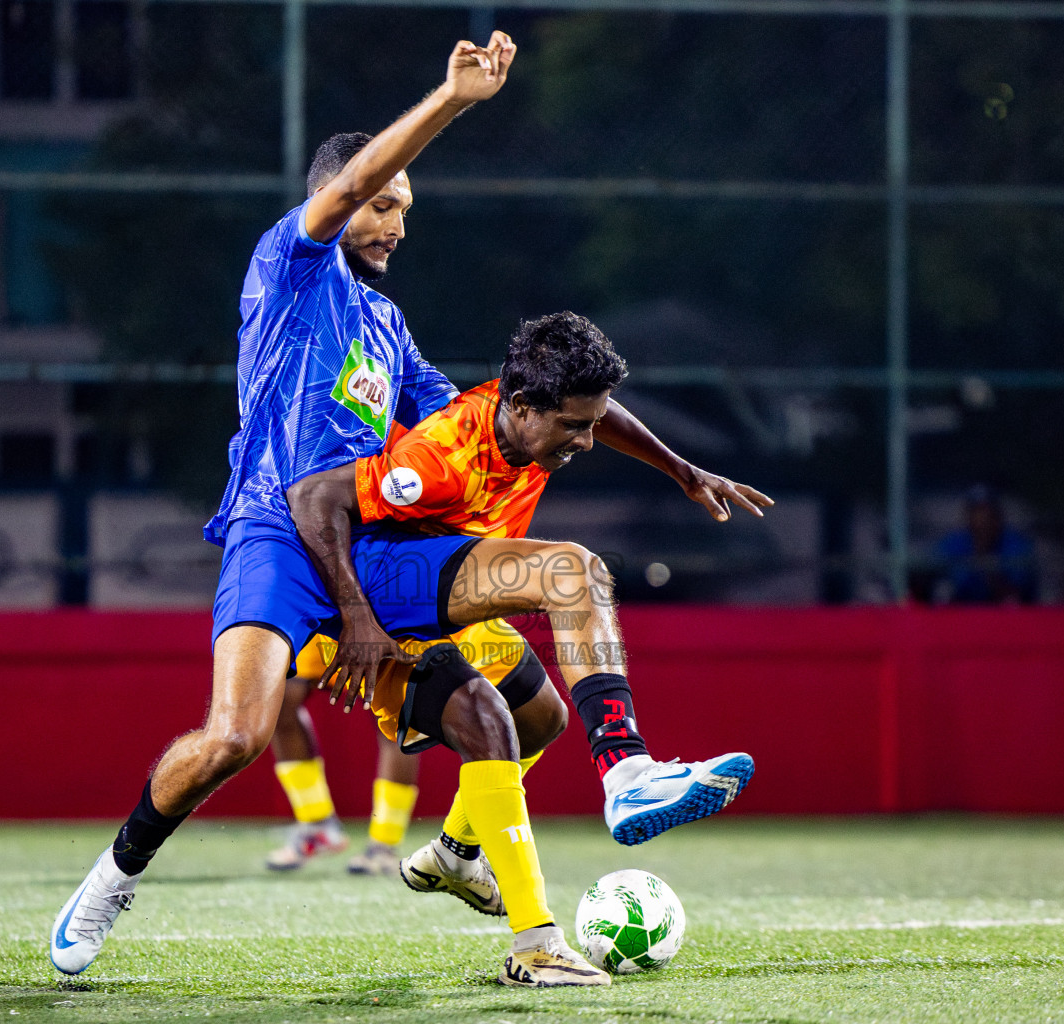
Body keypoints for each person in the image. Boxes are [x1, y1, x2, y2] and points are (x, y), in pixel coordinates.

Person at [53, 33, 614, 989]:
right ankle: (113, 875)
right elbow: (353, 183)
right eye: (387, 204)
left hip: (371, 549)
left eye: (406, 209)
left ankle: (533, 942)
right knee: (234, 736)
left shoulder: (387, 328)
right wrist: (453, 100)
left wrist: (651, 447)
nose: (397, 221)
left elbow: (496, 405)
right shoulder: (290, 269)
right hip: (275, 536)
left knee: (503, 718)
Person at [285, 312, 773, 913]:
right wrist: (357, 619)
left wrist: (681, 470)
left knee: (541, 720)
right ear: (521, 406)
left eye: (589, 423)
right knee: (574, 571)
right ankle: (625, 772)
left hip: (451, 582)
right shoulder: (438, 460)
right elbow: (312, 497)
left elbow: (600, 412)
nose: (587, 441)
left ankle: (455, 852)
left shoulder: (533, 408)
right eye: (573, 426)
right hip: (387, 590)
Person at [265, 618, 533, 877]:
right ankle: (316, 824)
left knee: (394, 711)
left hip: (376, 594)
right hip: (324, 599)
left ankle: (384, 843)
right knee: (282, 698)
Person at [931, 484, 1038, 604]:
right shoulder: (954, 542)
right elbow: (932, 574)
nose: (982, 520)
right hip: (962, 615)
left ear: (998, 516)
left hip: (1005, 617)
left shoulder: (1016, 545)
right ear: (967, 516)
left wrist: (987, 565)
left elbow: (1016, 595)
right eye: (976, 512)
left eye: (987, 513)